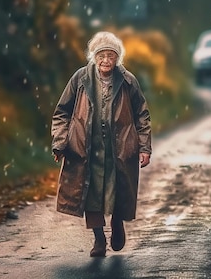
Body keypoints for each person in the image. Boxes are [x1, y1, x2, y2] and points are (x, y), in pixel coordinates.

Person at [50, 31, 152, 257]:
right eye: (102, 55)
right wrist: (60, 142)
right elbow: (62, 113)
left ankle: (117, 223)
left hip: (120, 148)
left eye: (111, 56)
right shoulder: (80, 79)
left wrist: (144, 147)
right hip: (86, 148)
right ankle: (98, 239)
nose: (106, 60)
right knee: (91, 194)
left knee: (117, 190)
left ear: (118, 59)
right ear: (94, 57)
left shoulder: (127, 81)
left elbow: (142, 115)